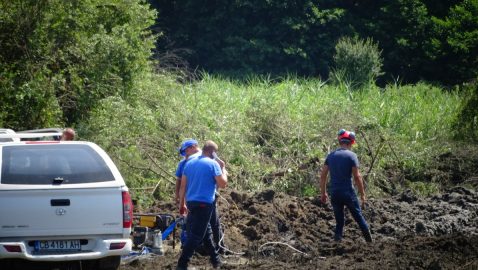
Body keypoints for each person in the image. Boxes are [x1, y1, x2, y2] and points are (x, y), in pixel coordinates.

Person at [177, 140, 228, 270]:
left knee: (206, 234)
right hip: (205, 204)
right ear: (213, 152)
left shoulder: (189, 163)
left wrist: (181, 204)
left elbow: (182, 186)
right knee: (196, 236)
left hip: (191, 203)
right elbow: (222, 184)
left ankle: (216, 261)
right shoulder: (213, 164)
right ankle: (182, 264)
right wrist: (223, 168)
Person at [319, 129, 373, 243]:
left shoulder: (331, 156)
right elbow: (357, 177)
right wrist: (363, 194)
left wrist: (323, 193)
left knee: (339, 222)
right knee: (358, 217)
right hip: (348, 193)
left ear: (340, 141)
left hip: (335, 193)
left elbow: (323, 176)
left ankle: (337, 243)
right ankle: (370, 242)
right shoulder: (352, 156)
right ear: (350, 143)